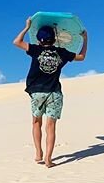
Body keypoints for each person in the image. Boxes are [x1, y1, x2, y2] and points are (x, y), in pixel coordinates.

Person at [12, 17, 88, 167]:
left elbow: (16, 42)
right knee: (51, 126)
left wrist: (27, 27)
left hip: (37, 93)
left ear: (39, 40)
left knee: (36, 123)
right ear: (54, 39)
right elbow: (82, 57)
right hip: (54, 93)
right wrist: (85, 39)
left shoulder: (35, 49)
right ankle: (48, 159)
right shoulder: (62, 52)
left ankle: (38, 153)